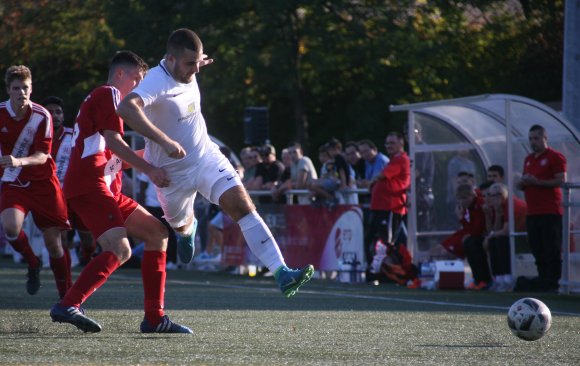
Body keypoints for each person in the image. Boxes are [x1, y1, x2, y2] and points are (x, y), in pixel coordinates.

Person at [116, 29, 314, 296]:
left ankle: (282, 272)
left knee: (242, 207)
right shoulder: (155, 81)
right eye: (190, 64)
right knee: (179, 224)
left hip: (206, 158)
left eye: (198, 63)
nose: (195, 70)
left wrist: (197, 61)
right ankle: (187, 232)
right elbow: (126, 108)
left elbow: (194, 63)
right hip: (171, 173)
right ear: (170, 59)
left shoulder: (189, 67)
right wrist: (164, 141)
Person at [50, 51, 192, 334]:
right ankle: (68, 304)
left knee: (157, 233)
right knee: (120, 249)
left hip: (102, 185)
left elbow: (113, 154)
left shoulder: (105, 98)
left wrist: (156, 158)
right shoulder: (110, 94)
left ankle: (154, 318)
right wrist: (150, 170)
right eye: (137, 80)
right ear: (119, 75)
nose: (139, 87)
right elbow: (114, 143)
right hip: (92, 184)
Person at [0, 65, 72, 298]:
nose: (22, 92)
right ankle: (33, 263)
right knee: (11, 227)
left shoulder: (42, 115)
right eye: (16, 88)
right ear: (8, 90)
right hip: (14, 181)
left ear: (32, 89)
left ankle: (68, 298)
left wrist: (18, 161)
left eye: (26, 88)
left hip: (43, 183)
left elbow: (43, 155)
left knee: (54, 243)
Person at [42, 96, 95, 267]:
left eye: (58, 112)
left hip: (76, 194)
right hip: (53, 197)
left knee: (88, 238)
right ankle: (66, 279)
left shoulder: (73, 136)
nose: (55, 115)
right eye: (50, 112)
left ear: (63, 116)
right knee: (60, 237)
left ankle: (86, 255)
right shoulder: (36, 137)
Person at [516, 124, 566, 292]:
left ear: (545, 139)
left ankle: (553, 283)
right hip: (533, 211)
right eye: (530, 138)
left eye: (536, 138)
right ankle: (542, 280)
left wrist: (538, 182)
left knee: (551, 248)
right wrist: (522, 183)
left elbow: (561, 181)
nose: (533, 142)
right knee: (537, 248)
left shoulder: (555, 157)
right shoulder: (529, 159)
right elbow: (525, 182)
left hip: (550, 211)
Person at [365, 132, 410, 278]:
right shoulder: (393, 160)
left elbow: (381, 176)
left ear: (401, 144)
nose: (389, 146)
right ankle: (377, 271)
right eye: (387, 143)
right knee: (374, 239)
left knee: (386, 242)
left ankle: (388, 273)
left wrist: (372, 182)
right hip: (380, 206)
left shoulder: (401, 159)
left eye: (392, 143)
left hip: (391, 206)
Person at [484, 183, 527, 292]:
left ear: (500, 196)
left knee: (499, 240)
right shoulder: (501, 206)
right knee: (494, 240)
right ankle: (499, 278)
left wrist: (491, 235)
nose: (489, 198)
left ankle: (507, 279)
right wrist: (497, 213)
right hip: (515, 237)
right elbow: (496, 229)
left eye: (491, 195)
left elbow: (505, 231)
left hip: (524, 238)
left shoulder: (510, 205)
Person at [454, 183, 492, 290]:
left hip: (487, 234)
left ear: (472, 195)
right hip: (480, 235)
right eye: (460, 198)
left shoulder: (479, 204)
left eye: (465, 197)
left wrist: (461, 218)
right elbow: (471, 230)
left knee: (473, 244)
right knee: (468, 242)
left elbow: (476, 230)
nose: (462, 201)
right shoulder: (470, 207)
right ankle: (477, 279)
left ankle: (485, 279)